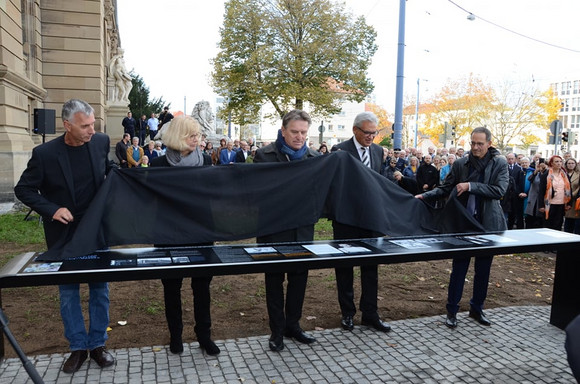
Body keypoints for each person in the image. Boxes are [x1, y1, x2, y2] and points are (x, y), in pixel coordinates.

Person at [14, 99, 115, 373]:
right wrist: (52, 208)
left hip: (96, 231)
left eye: (93, 124)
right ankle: (77, 348)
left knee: (99, 290)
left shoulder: (100, 142)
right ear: (67, 125)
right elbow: (23, 189)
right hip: (63, 234)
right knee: (69, 292)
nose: (91, 131)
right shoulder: (45, 154)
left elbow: (110, 172)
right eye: (85, 126)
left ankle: (98, 345)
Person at [416, 127, 508, 328]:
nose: (475, 147)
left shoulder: (500, 163)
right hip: (463, 224)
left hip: (487, 225)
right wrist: (424, 196)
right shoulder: (460, 164)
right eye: (472, 143)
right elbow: (445, 188)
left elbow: (499, 190)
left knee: (483, 270)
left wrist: (470, 186)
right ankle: (452, 310)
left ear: (489, 144)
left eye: (480, 144)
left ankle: (477, 308)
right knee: (459, 268)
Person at [149, 116, 219, 356]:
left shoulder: (207, 161)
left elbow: (213, 198)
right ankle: (175, 336)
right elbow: (151, 201)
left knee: (202, 288)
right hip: (170, 235)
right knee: (172, 288)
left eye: (198, 135)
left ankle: (204, 336)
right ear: (178, 135)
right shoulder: (158, 165)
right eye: (191, 135)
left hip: (200, 233)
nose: (196, 139)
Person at [254, 109, 319, 352]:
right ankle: (277, 331)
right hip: (274, 229)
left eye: (303, 132)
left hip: (302, 230)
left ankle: (293, 325)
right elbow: (260, 193)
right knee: (274, 281)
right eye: (294, 132)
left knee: (299, 279)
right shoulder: (264, 156)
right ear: (283, 131)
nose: (299, 136)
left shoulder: (313, 157)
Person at [331, 111, 391, 334]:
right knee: (345, 267)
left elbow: (378, 180)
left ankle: (370, 314)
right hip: (346, 219)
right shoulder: (340, 150)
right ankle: (347, 313)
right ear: (355, 130)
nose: (371, 137)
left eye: (374, 133)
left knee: (370, 267)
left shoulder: (377, 151)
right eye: (367, 132)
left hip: (371, 219)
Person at [539, 155, 571, 231]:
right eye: (556, 162)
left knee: (558, 224)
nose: (559, 163)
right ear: (551, 163)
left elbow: (569, 189)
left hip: (561, 203)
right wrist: (541, 205)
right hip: (549, 203)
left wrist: (569, 203)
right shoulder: (546, 174)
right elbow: (541, 190)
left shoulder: (564, 175)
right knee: (548, 225)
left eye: (560, 162)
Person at [525, 159, 548, 228]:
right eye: (537, 164)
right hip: (532, 201)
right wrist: (536, 171)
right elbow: (530, 179)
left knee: (539, 221)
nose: (539, 166)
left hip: (541, 201)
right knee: (530, 221)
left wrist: (544, 171)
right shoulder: (535, 174)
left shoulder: (548, 174)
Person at [506, 153, 524, 229]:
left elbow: (520, 182)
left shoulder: (519, 168)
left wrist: (517, 191)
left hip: (515, 194)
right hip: (506, 194)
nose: (510, 160)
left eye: (512, 159)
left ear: (515, 159)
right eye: (509, 159)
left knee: (515, 211)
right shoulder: (504, 167)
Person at [564, 158, 580, 234]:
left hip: (574, 200)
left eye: (572, 163)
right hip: (563, 199)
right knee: (566, 222)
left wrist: (572, 194)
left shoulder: (578, 174)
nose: (570, 165)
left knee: (574, 220)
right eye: (569, 163)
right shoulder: (563, 173)